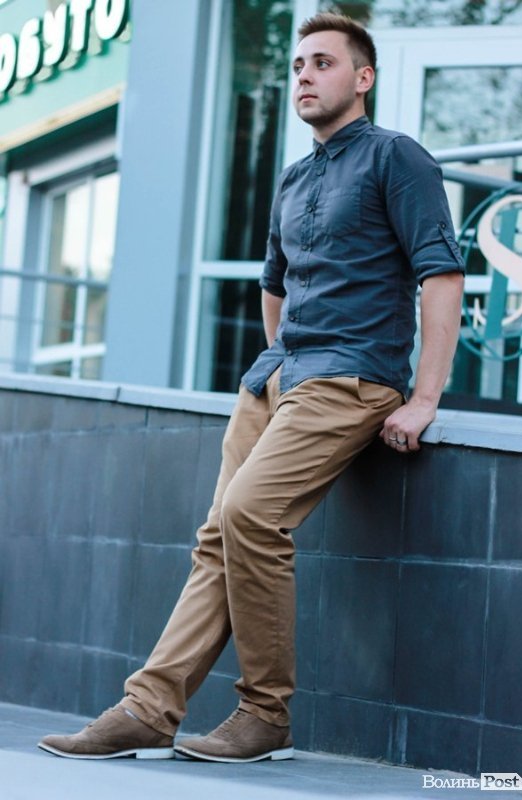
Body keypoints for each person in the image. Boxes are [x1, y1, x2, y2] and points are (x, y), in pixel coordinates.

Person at [38, 12, 464, 764]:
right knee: (218, 540)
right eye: (298, 65)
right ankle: (147, 710)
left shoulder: (396, 157)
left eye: (323, 63)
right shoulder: (295, 178)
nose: (304, 75)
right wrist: (276, 363)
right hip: (276, 382)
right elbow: (275, 284)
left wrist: (424, 397)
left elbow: (441, 274)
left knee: (248, 516)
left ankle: (265, 714)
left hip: (350, 377)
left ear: (363, 78)